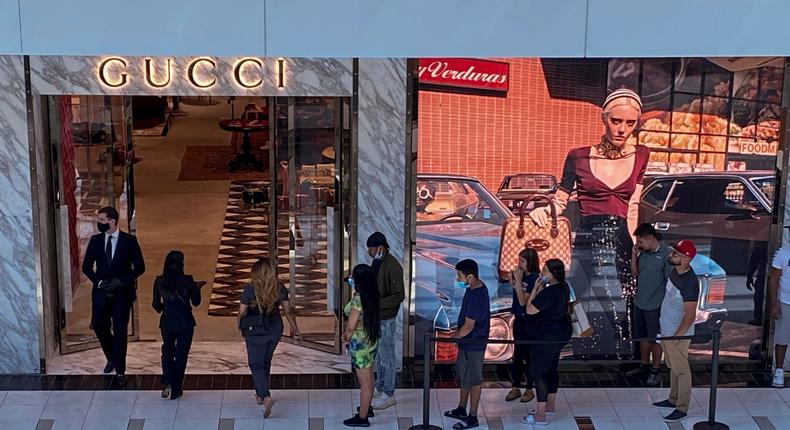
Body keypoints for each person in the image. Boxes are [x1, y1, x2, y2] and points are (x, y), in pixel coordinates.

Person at [529, 88, 649, 357]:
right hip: (588, 239)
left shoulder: (641, 154)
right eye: (616, 121)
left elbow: (633, 205)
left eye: (630, 123)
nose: (622, 129)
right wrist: (542, 211)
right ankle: (583, 353)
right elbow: (561, 199)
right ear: (603, 118)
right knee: (580, 298)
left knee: (622, 301)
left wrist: (633, 246)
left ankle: (621, 358)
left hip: (620, 241)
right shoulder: (579, 156)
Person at [81, 206, 145, 384]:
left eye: (101, 221)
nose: (98, 224)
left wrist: (122, 281)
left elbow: (140, 267)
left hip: (121, 294)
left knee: (120, 330)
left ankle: (120, 370)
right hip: (101, 292)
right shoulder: (95, 241)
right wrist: (99, 282)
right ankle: (112, 357)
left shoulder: (129, 241)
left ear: (112, 221)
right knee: (98, 325)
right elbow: (86, 267)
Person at [238, 258, 302, 417]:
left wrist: (240, 324)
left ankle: (265, 397)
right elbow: (288, 311)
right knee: (265, 361)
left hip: (255, 331)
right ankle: (260, 394)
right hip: (274, 329)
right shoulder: (279, 287)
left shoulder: (250, 289)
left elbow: (241, 312)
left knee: (255, 364)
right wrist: (296, 330)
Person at [651, 240, 699, 423]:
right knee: (672, 367)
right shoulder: (675, 272)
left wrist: (677, 336)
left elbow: (690, 314)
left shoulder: (689, 282)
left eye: (676, 254)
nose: (671, 255)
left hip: (677, 333)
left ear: (686, 260)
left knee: (681, 370)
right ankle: (673, 398)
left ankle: (682, 407)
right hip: (667, 329)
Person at [520, 259, 573, 426]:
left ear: (553, 273)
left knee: (539, 372)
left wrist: (535, 289)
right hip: (560, 334)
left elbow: (529, 309)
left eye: (544, 270)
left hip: (546, 337)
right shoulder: (563, 287)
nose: (542, 273)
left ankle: (540, 415)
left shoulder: (550, 292)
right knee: (551, 369)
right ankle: (550, 406)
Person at [444, 259, 490, 430]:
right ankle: (461, 408)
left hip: (474, 344)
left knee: (474, 379)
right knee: (464, 376)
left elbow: (470, 325)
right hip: (466, 343)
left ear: (470, 277)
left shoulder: (478, 294)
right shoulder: (472, 289)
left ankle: (473, 416)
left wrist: (454, 338)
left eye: (459, 275)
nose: (457, 279)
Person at [152, 250, 203, 400]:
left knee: (167, 351)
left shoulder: (159, 280)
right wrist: (197, 289)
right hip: (185, 322)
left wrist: (165, 309)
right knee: (181, 356)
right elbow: (196, 302)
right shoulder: (187, 280)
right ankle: (176, 389)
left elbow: (155, 305)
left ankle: (168, 381)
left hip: (167, 322)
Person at [627, 223, 671, 386]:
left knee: (655, 338)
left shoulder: (666, 254)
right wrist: (634, 255)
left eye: (640, 242)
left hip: (656, 304)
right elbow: (635, 273)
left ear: (651, 238)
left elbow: (669, 282)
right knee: (643, 336)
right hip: (641, 302)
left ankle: (656, 369)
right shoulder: (643, 254)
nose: (639, 245)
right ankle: (644, 365)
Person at [366, 232, 405, 410]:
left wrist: (377, 303)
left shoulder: (392, 266)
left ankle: (389, 393)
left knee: (387, 356)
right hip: (377, 316)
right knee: (380, 355)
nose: (370, 252)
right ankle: (381, 387)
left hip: (386, 317)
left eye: (372, 249)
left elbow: (399, 296)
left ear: (380, 248)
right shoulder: (378, 262)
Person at [342, 264, 382, 427]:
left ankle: (362, 417)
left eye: (353, 277)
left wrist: (345, 337)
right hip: (371, 339)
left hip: (360, 345)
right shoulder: (372, 295)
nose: (350, 279)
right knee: (369, 377)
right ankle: (367, 407)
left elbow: (351, 326)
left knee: (365, 383)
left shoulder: (359, 299)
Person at [505, 247, 539, 403]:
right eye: (519, 260)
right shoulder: (522, 276)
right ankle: (515, 386)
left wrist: (518, 283)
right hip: (518, 319)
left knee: (530, 356)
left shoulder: (534, 279)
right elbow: (516, 291)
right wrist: (513, 280)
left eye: (523, 261)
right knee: (517, 355)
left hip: (529, 321)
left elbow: (523, 301)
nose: (520, 264)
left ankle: (530, 388)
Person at [768, 229, 790, 388]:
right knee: (782, 338)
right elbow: (774, 279)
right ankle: (779, 370)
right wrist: (774, 304)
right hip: (785, 301)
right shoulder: (783, 253)